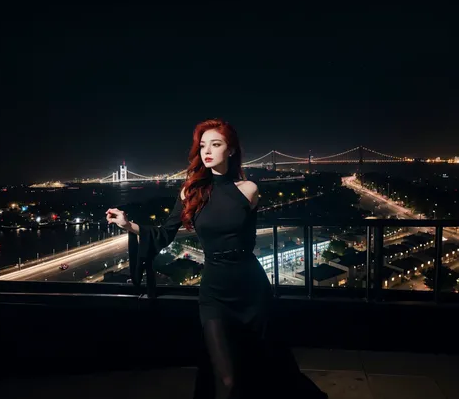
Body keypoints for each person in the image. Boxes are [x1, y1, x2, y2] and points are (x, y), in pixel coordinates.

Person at [106, 118, 328, 399]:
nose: (206, 150)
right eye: (202, 146)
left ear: (231, 150)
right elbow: (164, 234)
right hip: (214, 293)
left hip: (251, 288)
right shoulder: (190, 192)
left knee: (265, 366)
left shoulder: (248, 190)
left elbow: (241, 235)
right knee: (225, 378)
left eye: (216, 144)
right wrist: (128, 226)